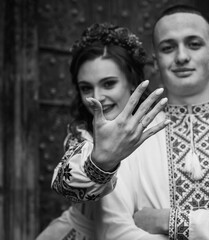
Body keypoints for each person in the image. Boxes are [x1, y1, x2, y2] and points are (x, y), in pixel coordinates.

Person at [52, 5, 209, 240]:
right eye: (168, 48)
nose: (182, 56)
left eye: (194, 44)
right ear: (156, 59)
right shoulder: (131, 137)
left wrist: (170, 221)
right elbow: (118, 233)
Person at [37, 22, 169, 239]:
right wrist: (101, 162)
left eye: (108, 84)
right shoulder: (82, 133)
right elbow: (64, 183)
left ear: (132, 82)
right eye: (86, 88)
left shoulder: (161, 123)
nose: (96, 97)